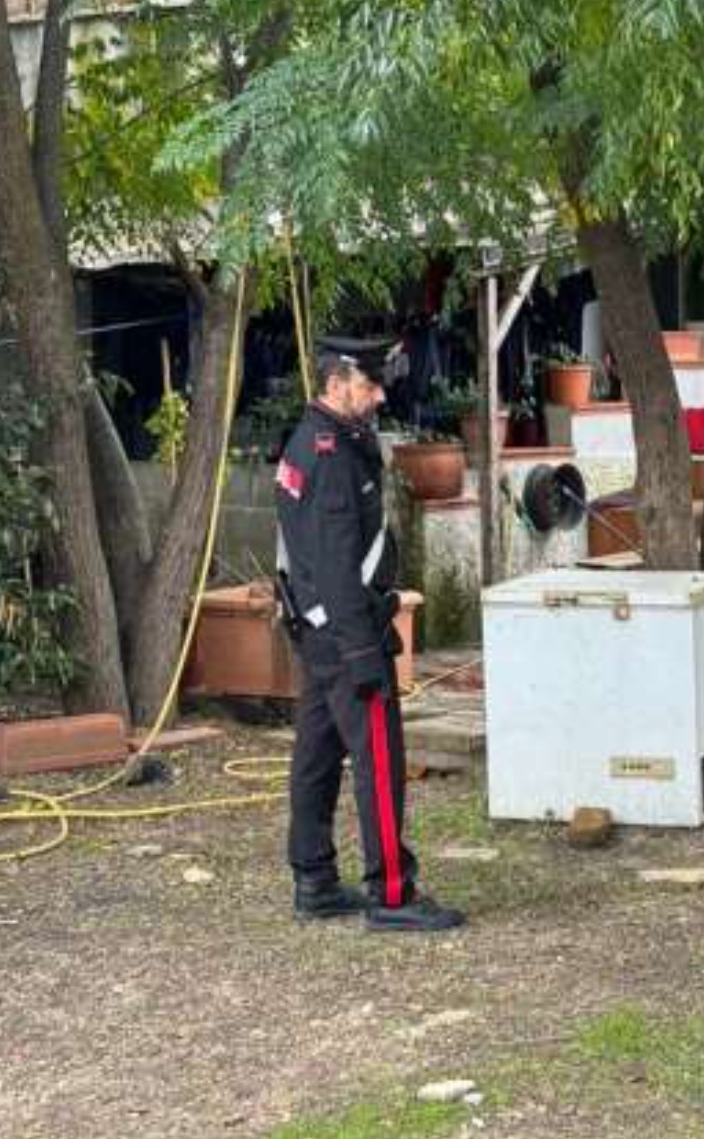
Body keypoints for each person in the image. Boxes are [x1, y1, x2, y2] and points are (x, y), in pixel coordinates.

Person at [273, 335, 464, 932]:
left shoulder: (316, 441)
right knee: (379, 758)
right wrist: (362, 649)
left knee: (317, 753)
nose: (379, 396)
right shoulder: (329, 456)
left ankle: (315, 879)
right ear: (335, 384)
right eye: (369, 385)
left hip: (319, 628)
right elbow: (333, 563)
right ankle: (391, 892)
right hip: (344, 633)